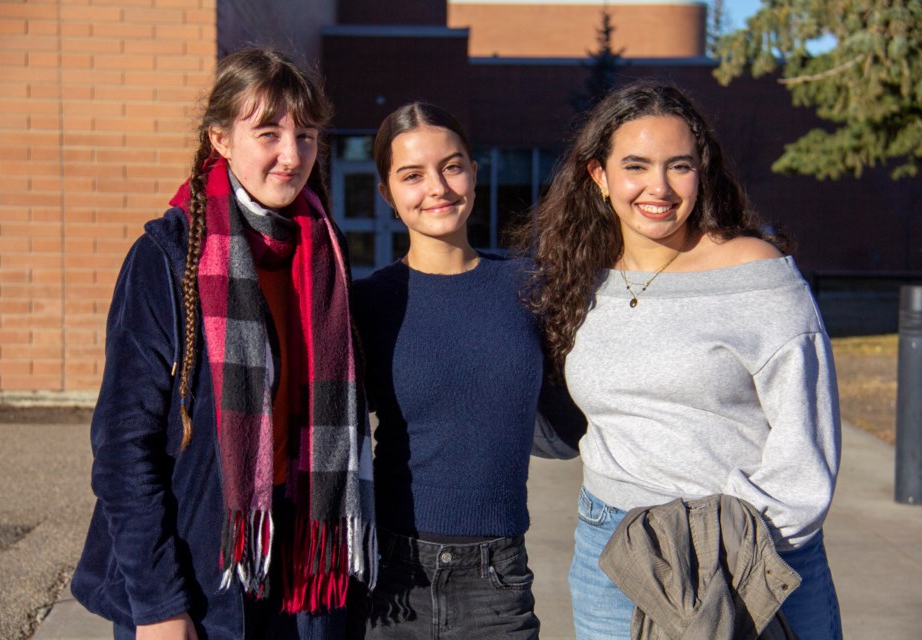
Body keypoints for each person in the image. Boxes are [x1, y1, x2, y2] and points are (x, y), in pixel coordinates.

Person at [71, 48, 376, 640]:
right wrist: (159, 604)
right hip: (195, 573)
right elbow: (122, 449)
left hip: (304, 570)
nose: (293, 156)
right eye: (269, 133)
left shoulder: (325, 256)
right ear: (221, 139)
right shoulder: (167, 259)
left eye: (307, 135)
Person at [521, 80, 842, 639]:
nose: (659, 187)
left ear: (703, 171)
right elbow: (564, 416)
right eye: (637, 166)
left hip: (752, 550)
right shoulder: (580, 278)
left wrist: (741, 548)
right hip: (614, 556)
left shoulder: (754, 272)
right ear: (599, 176)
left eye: (679, 166)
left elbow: (805, 444)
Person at [347, 102, 552, 639]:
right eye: (412, 175)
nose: (437, 187)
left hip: (498, 582)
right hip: (390, 576)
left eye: (452, 166)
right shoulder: (366, 303)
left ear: (474, 172)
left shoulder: (530, 288)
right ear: (388, 193)